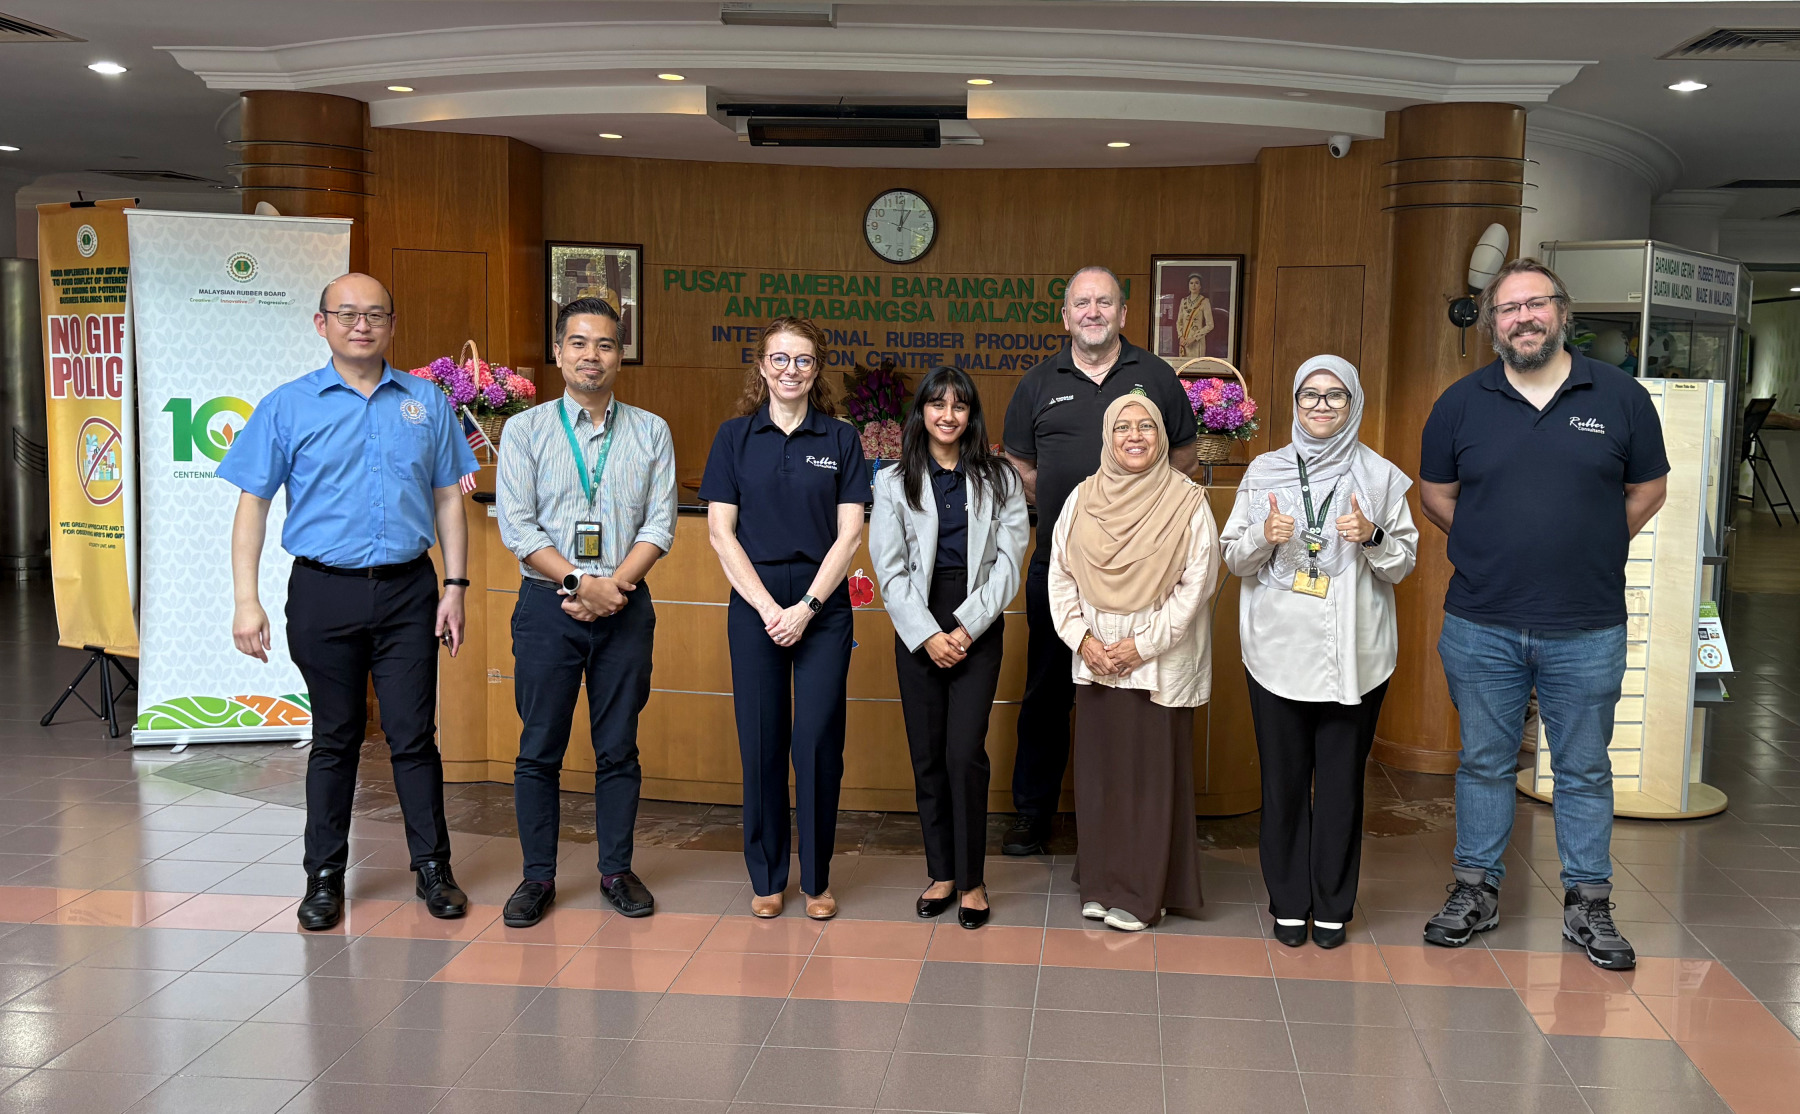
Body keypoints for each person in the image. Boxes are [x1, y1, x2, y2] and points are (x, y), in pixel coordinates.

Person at [1418, 258, 1669, 971]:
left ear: (1562, 311)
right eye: (1508, 308)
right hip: (1481, 622)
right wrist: (1490, 548)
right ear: (1492, 322)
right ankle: (1476, 890)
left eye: (1536, 304)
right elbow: (1436, 495)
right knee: (1485, 762)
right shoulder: (1459, 403)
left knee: (1583, 769)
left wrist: (1592, 545)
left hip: (1586, 624)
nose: (1523, 318)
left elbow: (1649, 489)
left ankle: (1589, 903)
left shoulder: (1620, 397)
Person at [222, 273, 478, 931]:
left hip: (408, 591)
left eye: (375, 315)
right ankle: (324, 878)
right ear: (322, 324)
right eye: (347, 314)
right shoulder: (287, 405)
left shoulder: (426, 401)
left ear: (391, 324)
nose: (361, 325)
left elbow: (449, 497)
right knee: (335, 737)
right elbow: (252, 504)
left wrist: (455, 587)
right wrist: (246, 600)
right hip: (322, 591)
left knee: (413, 736)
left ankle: (433, 868)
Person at [1001, 266, 1200, 856]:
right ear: (1065, 316)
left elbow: (1183, 458)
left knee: (1133, 694)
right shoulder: (1038, 382)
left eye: (1104, 302)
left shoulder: (1156, 376)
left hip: (1145, 573)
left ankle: (1131, 820)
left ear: (1123, 313)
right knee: (1046, 691)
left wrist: (1135, 518)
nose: (1093, 312)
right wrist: (1081, 521)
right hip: (1059, 569)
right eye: (1082, 303)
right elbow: (1021, 467)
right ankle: (1032, 812)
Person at [1222, 355, 1418, 950]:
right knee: (1283, 784)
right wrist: (1263, 537)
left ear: (1353, 403)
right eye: (1310, 395)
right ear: (1295, 402)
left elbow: (1403, 564)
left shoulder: (1380, 477)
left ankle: (1332, 903)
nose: (1322, 406)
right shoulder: (1264, 471)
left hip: (1355, 654)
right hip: (1277, 650)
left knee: (1340, 785)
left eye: (1336, 395)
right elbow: (1233, 558)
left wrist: (1373, 537)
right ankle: (1288, 900)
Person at [495, 297, 676, 927]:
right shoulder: (525, 431)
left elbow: (660, 525)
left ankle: (616, 870)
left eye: (604, 344)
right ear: (558, 351)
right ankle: (537, 877)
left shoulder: (651, 431)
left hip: (625, 606)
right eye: (578, 343)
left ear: (620, 355)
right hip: (546, 607)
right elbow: (518, 527)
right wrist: (579, 581)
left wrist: (611, 589)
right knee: (538, 748)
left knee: (618, 748)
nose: (590, 356)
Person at [701, 317, 869, 920]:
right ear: (762, 366)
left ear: (817, 369)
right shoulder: (734, 437)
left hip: (823, 604)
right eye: (780, 358)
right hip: (756, 602)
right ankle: (768, 876)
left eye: (802, 360)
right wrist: (770, 608)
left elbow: (850, 534)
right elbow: (721, 534)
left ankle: (817, 880)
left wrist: (807, 608)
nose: (790, 370)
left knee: (817, 741)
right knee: (762, 740)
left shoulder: (841, 439)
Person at [1048, 395, 1219, 931]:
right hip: (1097, 657)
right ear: (1108, 436)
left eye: (1146, 426)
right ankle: (1102, 883)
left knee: (1149, 780)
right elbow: (1060, 574)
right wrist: (1083, 639)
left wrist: (1140, 646)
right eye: (1122, 427)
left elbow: (1197, 587)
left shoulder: (1187, 502)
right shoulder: (1081, 499)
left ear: (1162, 436)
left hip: (1157, 661)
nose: (1134, 436)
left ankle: (1146, 894)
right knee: (1100, 778)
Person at [870, 366, 1029, 931]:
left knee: (964, 753)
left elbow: (1010, 561)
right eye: (937, 404)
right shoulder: (894, 480)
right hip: (917, 624)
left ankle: (972, 880)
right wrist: (928, 634)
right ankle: (941, 873)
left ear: (971, 415)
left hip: (976, 623)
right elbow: (890, 570)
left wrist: (964, 628)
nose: (948, 415)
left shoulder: (1000, 478)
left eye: (959, 406)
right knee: (928, 755)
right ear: (922, 412)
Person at [1175, 273, 1214, 358]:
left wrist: (1194, 338)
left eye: (1196, 283)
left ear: (1200, 286)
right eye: (1191, 283)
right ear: (1188, 285)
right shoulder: (1183, 301)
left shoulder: (1204, 301)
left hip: (1197, 342)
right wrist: (1181, 337)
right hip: (1184, 342)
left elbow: (1210, 325)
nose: (1193, 285)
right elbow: (1179, 322)